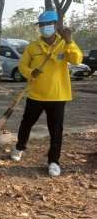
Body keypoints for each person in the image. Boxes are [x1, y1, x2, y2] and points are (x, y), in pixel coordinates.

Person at [11, 11, 83, 177]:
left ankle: (54, 161)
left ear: (56, 25)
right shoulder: (32, 47)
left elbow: (76, 60)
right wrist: (30, 72)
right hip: (36, 95)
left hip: (58, 95)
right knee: (26, 124)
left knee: (56, 130)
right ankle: (19, 147)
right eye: (42, 25)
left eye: (48, 24)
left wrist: (69, 41)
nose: (45, 28)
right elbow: (22, 66)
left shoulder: (65, 44)